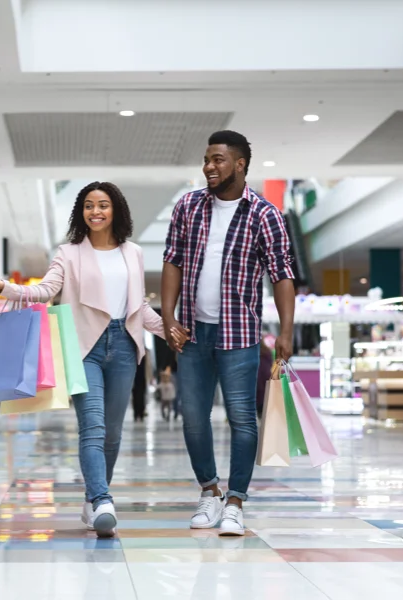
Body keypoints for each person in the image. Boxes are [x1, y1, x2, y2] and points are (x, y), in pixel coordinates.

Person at [0, 181, 164, 537]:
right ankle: (103, 499)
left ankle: (92, 500)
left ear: (115, 210)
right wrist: (6, 287)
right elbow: (46, 289)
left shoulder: (133, 252)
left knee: (114, 433)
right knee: (93, 425)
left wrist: (172, 331)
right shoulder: (69, 253)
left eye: (103, 205)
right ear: (81, 211)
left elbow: (140, 306)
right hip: (82, 346)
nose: (96, 211)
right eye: (89, 205)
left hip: (124, 345)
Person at [162, 130, 296, 537]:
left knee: (242, 419)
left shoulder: (264, 214)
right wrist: (168, 315)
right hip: (193, 334)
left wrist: (286, 331)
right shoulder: (189, 206)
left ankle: (236, 501)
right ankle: (209, 491)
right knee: (194, 420)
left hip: (240, 335)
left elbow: (282, 275)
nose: (209, 167)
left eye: (218, 159)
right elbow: (172, 261)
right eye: (206, 159)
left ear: (240, 164)